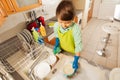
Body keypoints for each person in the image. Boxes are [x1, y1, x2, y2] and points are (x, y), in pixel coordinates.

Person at [53, 0, 82, 71]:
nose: (63, 25)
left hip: (72, 53)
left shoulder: (75, 28)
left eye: (67, 23)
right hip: (62, 51)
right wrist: (56, 44)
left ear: (73, 19)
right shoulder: (56, 25)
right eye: (61, 22)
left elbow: (78, 45)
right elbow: (57, 36)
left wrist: (76, 59)